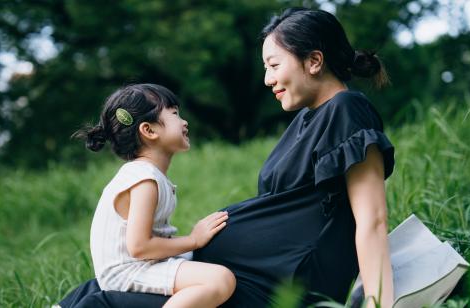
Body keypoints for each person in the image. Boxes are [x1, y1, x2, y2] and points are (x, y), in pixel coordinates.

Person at [60, 7, 395, 308]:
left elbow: (373, 220)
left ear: (314, 60)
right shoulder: (308, 118)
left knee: (101, 302)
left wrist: (378, 303)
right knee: (94, 292)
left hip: (278, 285)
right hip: (245, 274)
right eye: (265, 67)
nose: (267, 79)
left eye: (274, 65)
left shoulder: (347, 110)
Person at [72, 83, 236, 308]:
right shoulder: (144, 179)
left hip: (138, 264)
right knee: (220, 279)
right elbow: (140, 247)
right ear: (149, 131)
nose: (184, 121)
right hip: (128, 270)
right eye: (175, 114)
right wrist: (193, 240)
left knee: (206, 264)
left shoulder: (147, 175)